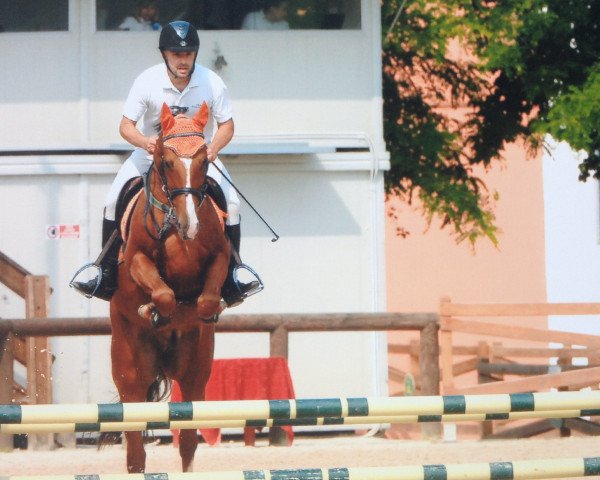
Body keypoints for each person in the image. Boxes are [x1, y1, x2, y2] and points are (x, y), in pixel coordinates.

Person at [71, 21, 261, 308]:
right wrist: (144, 142)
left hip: (197, 157)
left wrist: (213, 148)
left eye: (187, 54)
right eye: (176, 54)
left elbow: (227, 125)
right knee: (111, 202)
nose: (182, 60)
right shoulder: (147, 81)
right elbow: (125, 126)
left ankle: (235, 275)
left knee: (232, 204)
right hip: (151, 155)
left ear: (194, 55)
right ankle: (105, 271)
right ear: (164, 55)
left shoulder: (212, 82)